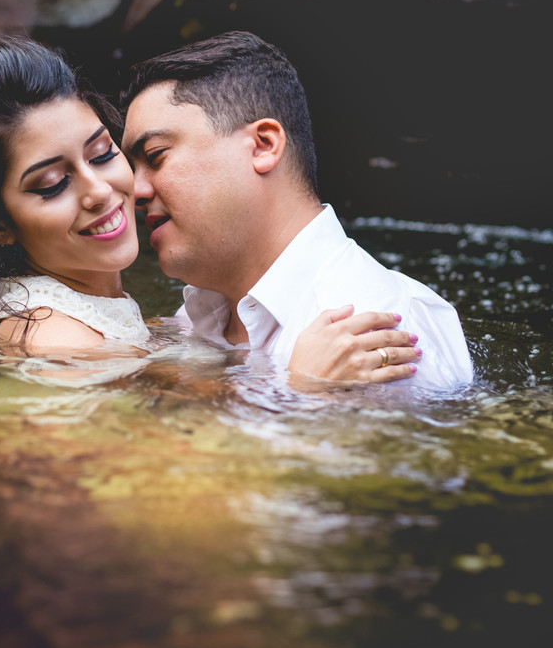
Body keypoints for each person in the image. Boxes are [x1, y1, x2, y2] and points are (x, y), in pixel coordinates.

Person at [0, 35, 420, 384]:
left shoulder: (379, 324)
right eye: (51, 184)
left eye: (103, 154)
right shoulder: (53, 340)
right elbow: (156, 498)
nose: (107, 189)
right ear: (0, 225)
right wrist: (299, 390)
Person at [121, 31, 474, 391]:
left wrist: (302, 392)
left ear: (263, 146)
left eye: (155, 156)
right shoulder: (204, 312)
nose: (135, 190)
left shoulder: (375, 331)